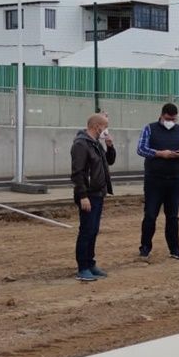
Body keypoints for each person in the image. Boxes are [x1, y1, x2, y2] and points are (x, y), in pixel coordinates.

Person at [136, 102, 179, 261]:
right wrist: (160, 153)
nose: (171, 122)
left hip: (174, 180)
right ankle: (145, 247)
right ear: (162, 116)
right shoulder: (149, 128)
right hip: (154, 180)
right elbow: (141, 148)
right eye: (168, 118)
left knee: (173, 216)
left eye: (174, 119)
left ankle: (175, 248)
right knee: (150, 215)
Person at [71, 113, 116, 282]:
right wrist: (82, 195)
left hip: (98, 193)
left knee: (93, 230)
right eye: (105, 126)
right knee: (86, 231)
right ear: (97, 126)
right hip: (88, 195)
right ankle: (82, 267)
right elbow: (77, 173)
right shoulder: (81, 144)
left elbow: (108, 162)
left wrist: (110, 146)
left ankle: (90, 263)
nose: (106, 129)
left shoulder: (96, 143)